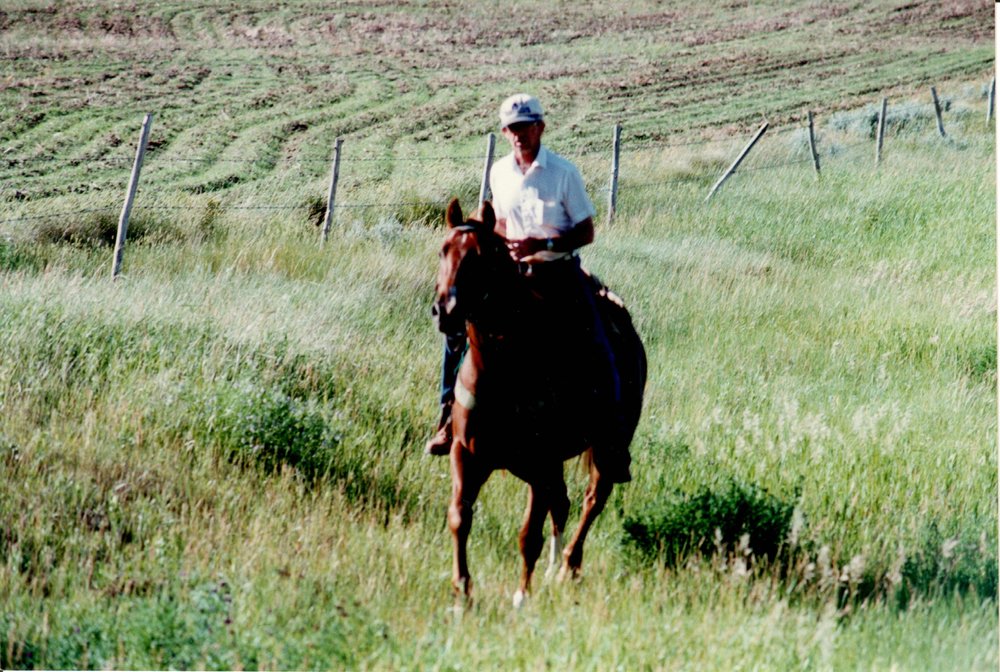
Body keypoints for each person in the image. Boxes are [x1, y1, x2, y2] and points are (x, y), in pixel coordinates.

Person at [426, 94, 629, 482]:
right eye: (512, 129)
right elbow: (502, 223)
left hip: (560, 274)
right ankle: (447, 416)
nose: (519, 135)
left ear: (541, 127)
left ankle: (612, 437)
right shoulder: (500, 173)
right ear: (504, 133)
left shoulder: (563, 173)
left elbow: (586, 231)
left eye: (526, 127)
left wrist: (545, 245)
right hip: (513, 274)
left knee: (600, 342)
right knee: (459, 331)